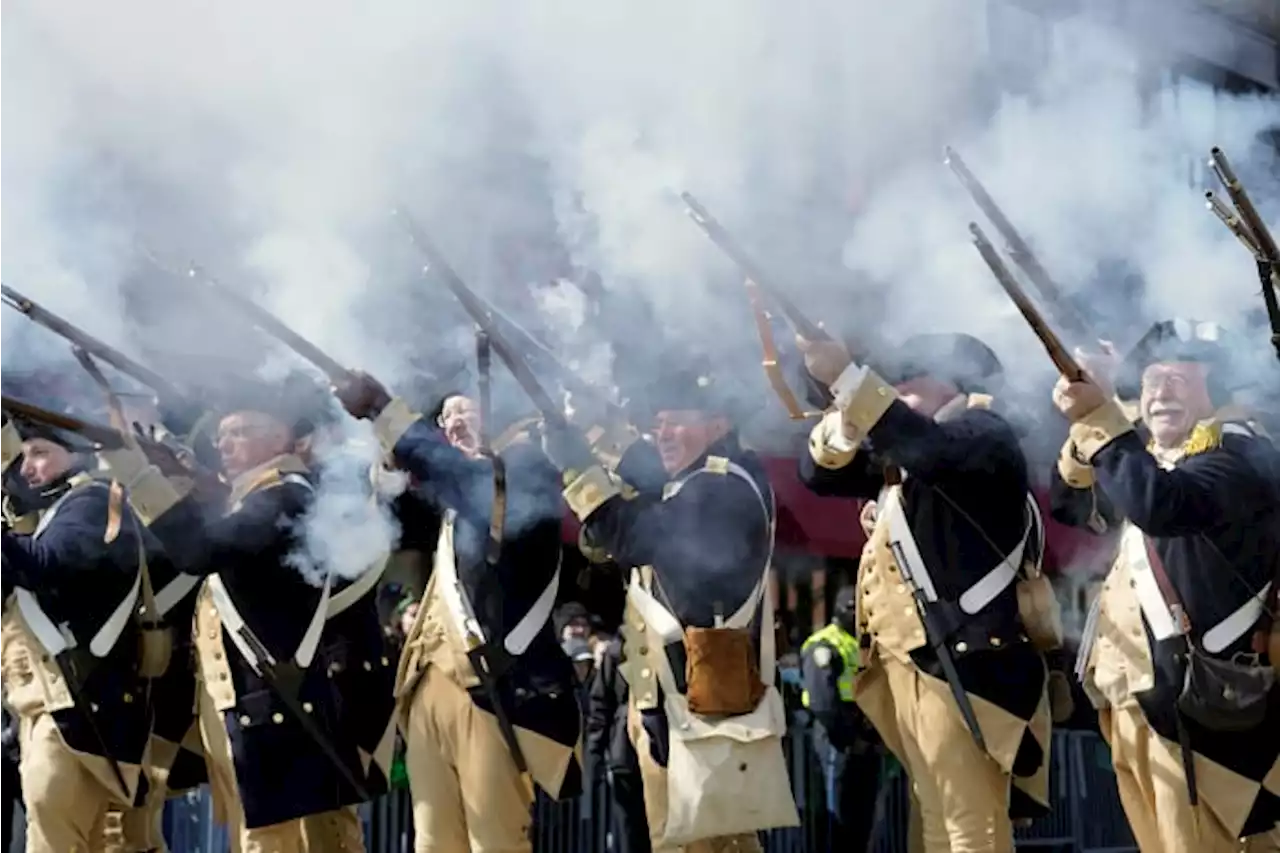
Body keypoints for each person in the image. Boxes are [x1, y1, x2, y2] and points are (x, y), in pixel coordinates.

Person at [98, 380, 383, 852]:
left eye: (242, 432)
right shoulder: (248, 497)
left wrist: (139, 472)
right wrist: (175, 476)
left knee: (269, 841)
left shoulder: (284, 497)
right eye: (222, 436)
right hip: (245, 700)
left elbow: (200, 549)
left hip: (273, 697)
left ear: (281, 440)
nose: (225, 445)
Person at [797, 332, 1053, 853]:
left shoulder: (983, 433)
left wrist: (850, 380)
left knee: (969, 826)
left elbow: (928, 448)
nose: (893, 392)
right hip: (918, 664)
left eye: (906, 383)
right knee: (936, 821)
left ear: (952, 386)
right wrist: (845, 405)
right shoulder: (912, 457)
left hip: (964, 663)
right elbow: (817, 475)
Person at [551, 359, 800, 853]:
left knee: (713, 844)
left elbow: (634, 536)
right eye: (657, 421)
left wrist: (578, 467)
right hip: (671, 698)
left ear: (718, 424)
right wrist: (592, 426)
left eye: (676, 420)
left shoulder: (721, 487)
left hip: (703, 699)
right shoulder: (695, 482)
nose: (662, 431)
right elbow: (645, 471)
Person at [1050, 319, 1280, 852]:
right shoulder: (1156, 463)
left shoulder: (1241, 455)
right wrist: (1097, 412)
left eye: (1178, 379)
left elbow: (1161, 505)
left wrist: (1101, 416)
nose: (1158, 393)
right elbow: (1069, 503)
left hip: (1207, 705)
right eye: (1150, 380)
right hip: (1140, 700)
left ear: (1218, 390)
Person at [332, 380, 582, 853]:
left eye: (466, 414)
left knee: (497, 841)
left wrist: (385, 410)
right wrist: (384, 447)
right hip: (429, 687)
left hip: (493, 690)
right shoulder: (457, 495)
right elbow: (396, 486)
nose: (453, 426)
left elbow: (465, 479)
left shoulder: (522, 475)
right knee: (433, 843)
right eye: (445, 419)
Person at [0, 415, 152, 851]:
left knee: (57, 839)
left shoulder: (93, 500)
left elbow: (48, 565)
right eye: (25, 456)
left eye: (41, 454)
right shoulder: (56, 511)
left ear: (80, 453)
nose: (27, 469)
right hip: (53, 704)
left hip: (78, 704)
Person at [799, 585, 881, 853]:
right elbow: (824, 703)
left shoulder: (859, 644)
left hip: (863, 741)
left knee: (861, 820)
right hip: (836, 742)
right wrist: (849, 740)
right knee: (837, 817)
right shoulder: (824, 645)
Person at [586, 634, 651, 853]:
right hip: (638, 752)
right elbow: (600, 708)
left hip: (626, 751)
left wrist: (594, 757)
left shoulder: (616, 650)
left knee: (630, 832)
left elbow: (600, 709)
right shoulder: (617, 651)